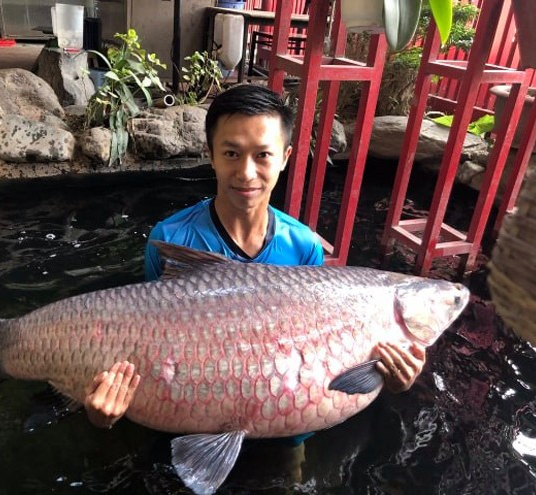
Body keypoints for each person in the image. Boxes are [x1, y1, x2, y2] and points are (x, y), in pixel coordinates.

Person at [84, 84, 426, 429]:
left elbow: (322, 355)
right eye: (231, 153)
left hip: (284, 427)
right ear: (211, 154)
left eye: (262, 155)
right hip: (191, 414)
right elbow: (145, 338)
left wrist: (392, 381)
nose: (246, 172)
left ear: (286, 158)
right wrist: (102, 413)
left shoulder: (303, 246)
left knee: (295, 466)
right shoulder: (169, 238)